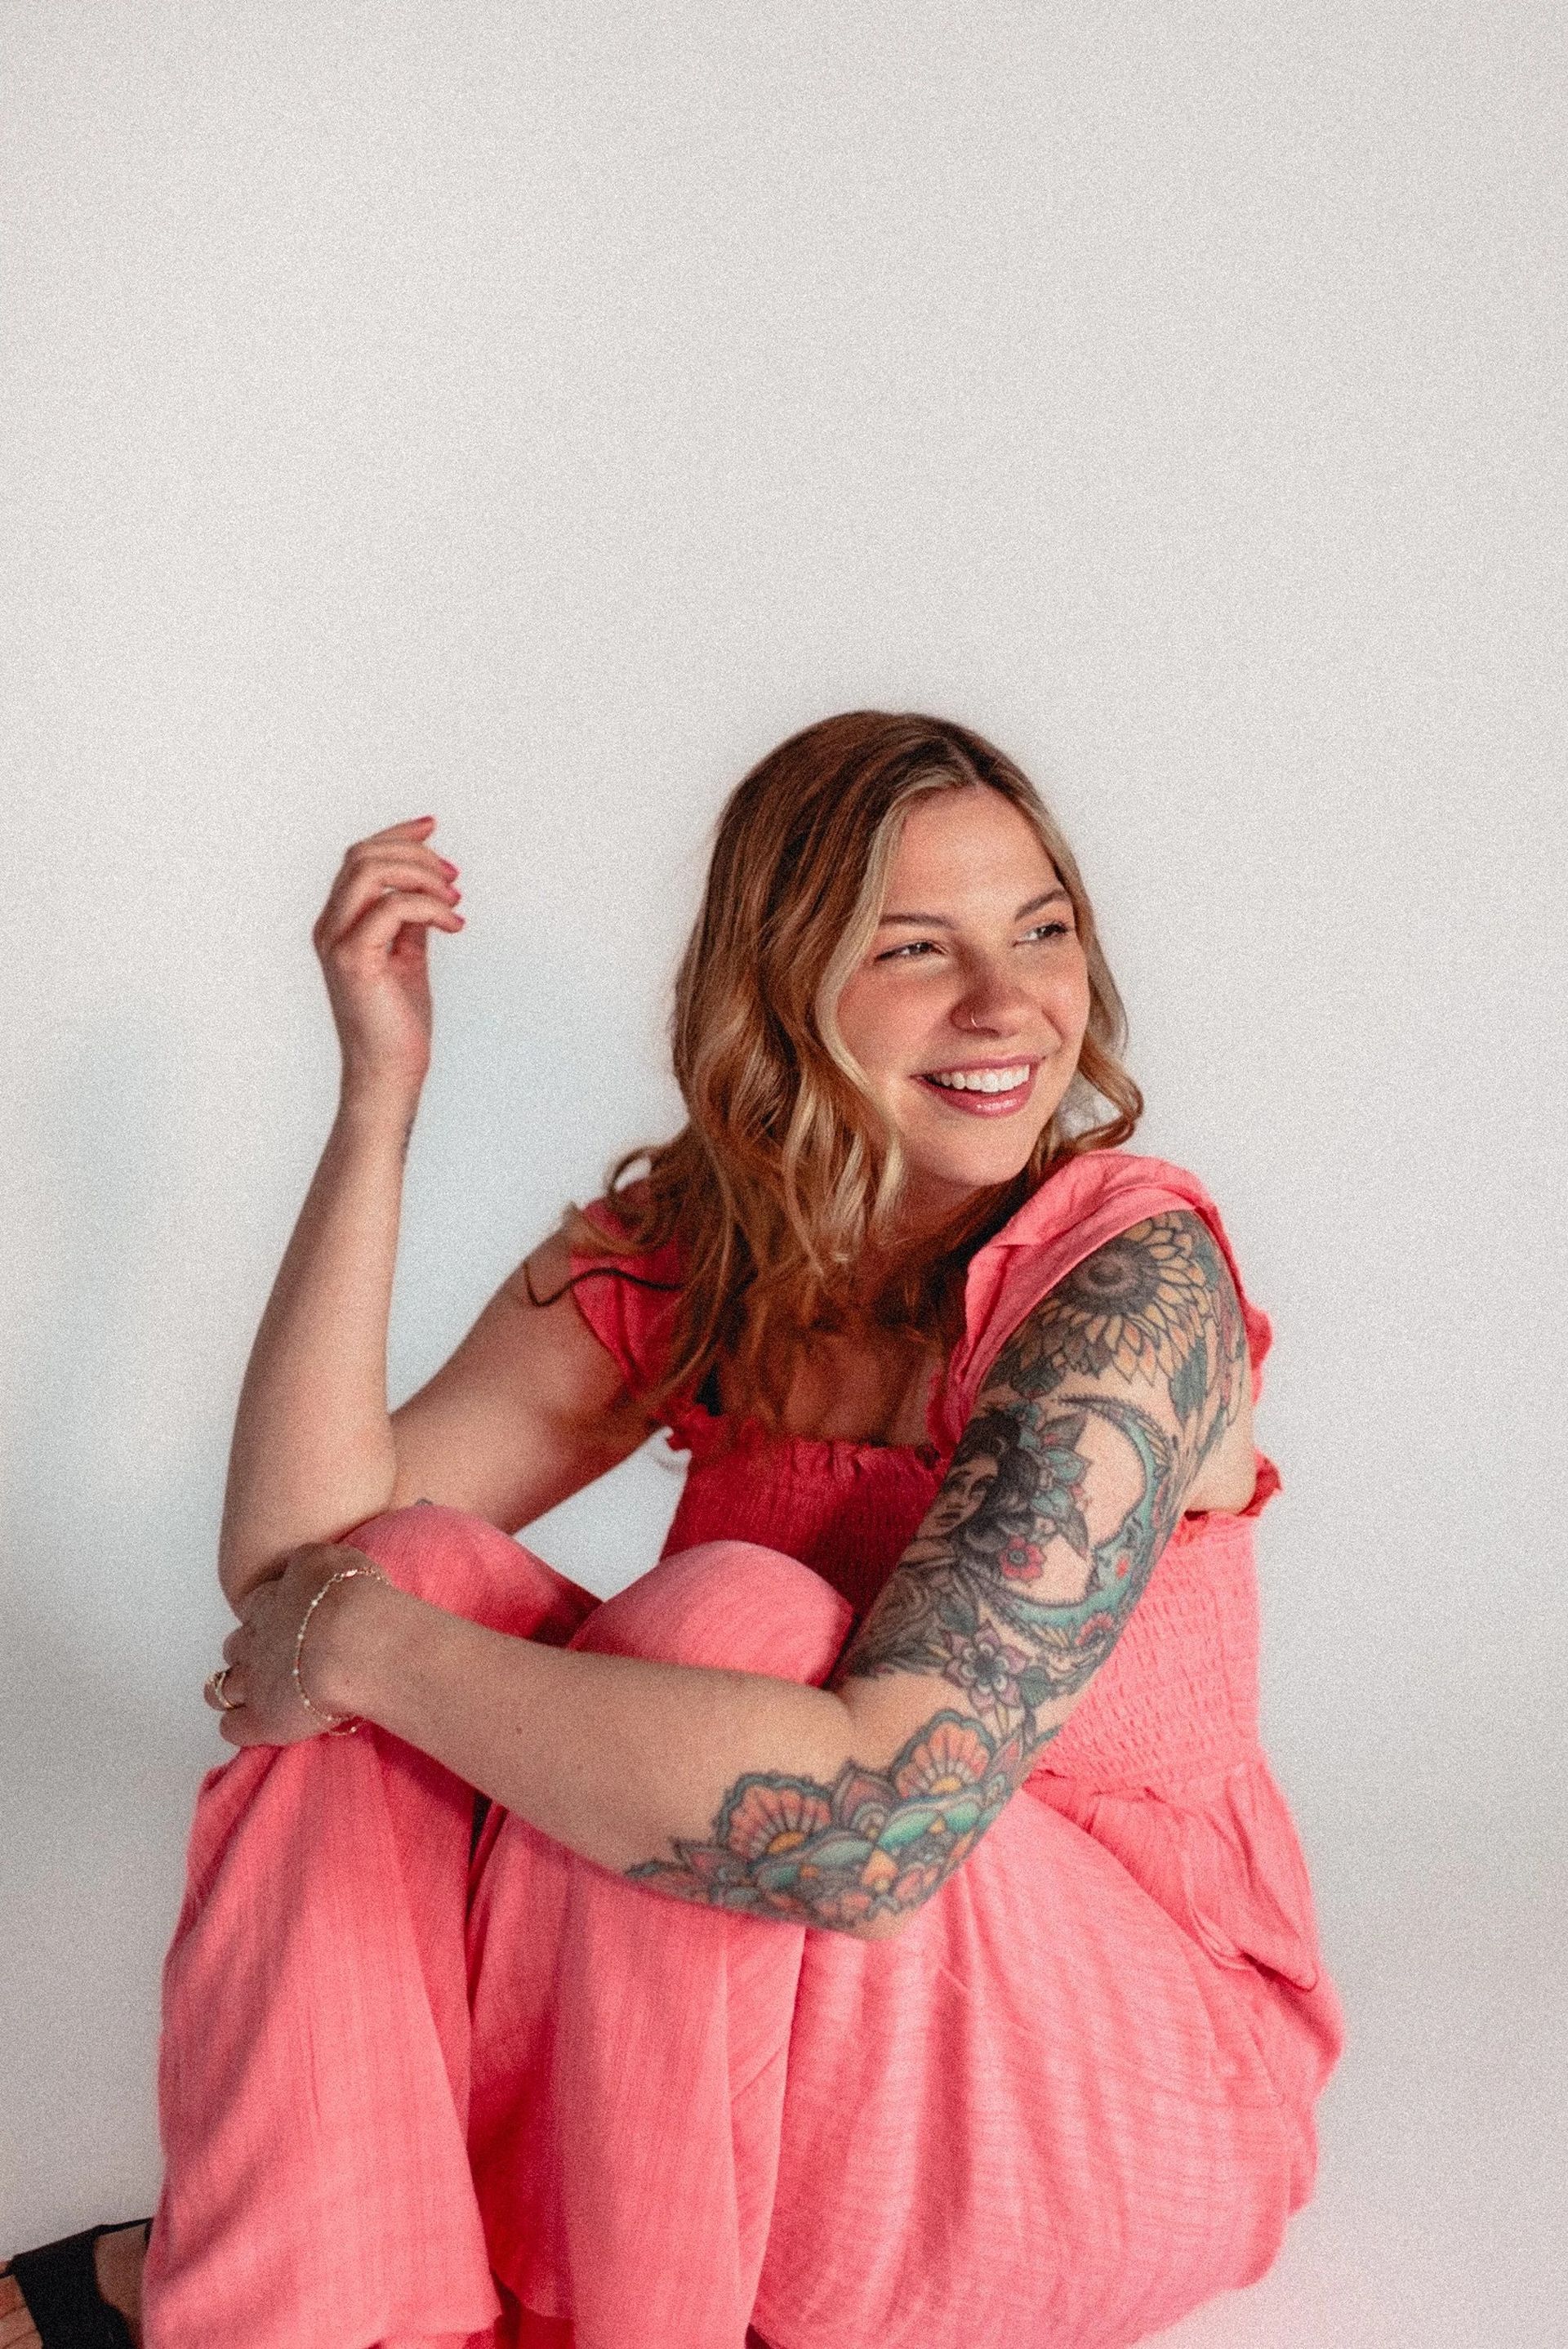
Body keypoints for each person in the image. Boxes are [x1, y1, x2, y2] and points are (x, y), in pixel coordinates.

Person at [2, 711, 1344, 2349]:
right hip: (758, 2082)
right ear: (782, 986)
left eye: (1043, 930)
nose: (1008, 1005)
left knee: (721, 1630)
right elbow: (294, 1566)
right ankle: (322, 2307)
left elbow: (877, 1831)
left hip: (1113, 2097)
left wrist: (365, 1649)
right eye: (917, 948)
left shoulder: (1132, 1285)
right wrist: (377, 1101)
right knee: (406, 1568)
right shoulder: (713, 1242)